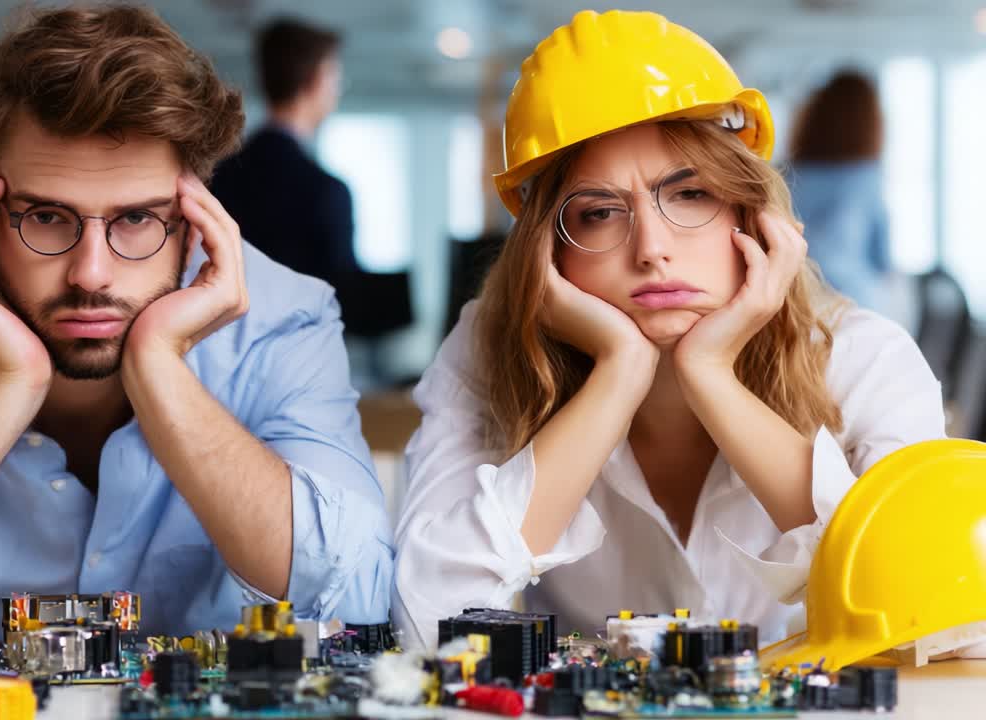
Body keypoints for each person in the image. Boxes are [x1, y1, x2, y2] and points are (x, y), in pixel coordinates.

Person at [0, 4, 393, 646]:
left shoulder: (286, 316)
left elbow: (357, 587)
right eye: (45, 217)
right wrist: (10, 387)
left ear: (196, 219)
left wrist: (161, 372)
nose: (91, 274)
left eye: (138, 219)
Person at [392, 9, 944, 651]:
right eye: (598, 213)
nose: (652, 248)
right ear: (550, 252)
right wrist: (618, 374)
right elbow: (425, 623)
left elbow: (928, 617)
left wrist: (712, 378)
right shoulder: (490, 349)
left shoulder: (861, 356)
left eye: (690, 195)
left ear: (750, 212)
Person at [210, 17, 357, 290]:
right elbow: (343, 298)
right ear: (315, 80)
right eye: (334, 77)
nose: (336, 91)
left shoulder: (217, 177)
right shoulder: (327, 191)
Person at [788, 70, 893, 314]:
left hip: (792, 307)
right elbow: (881, 259)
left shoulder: (786, 175)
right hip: (851, 305)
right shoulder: (866, 179)